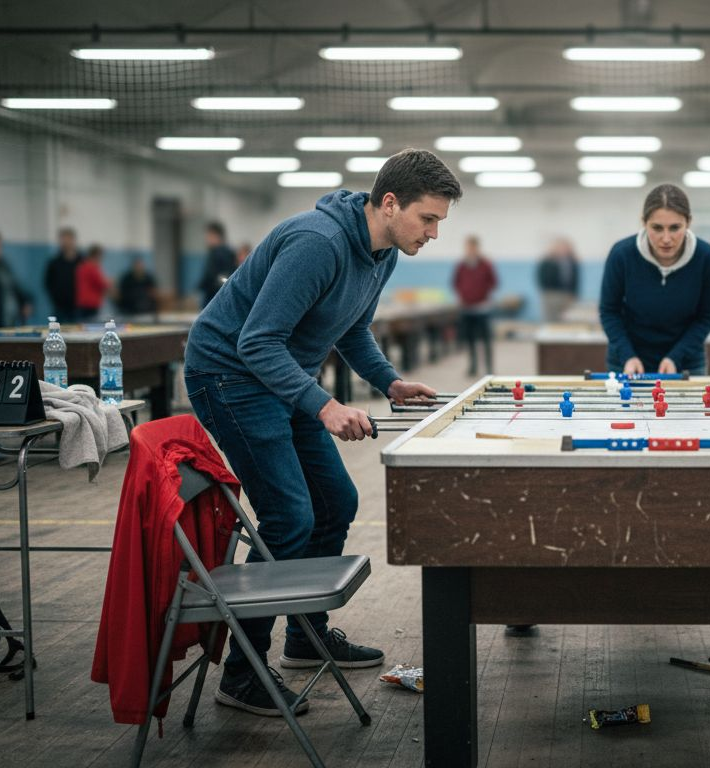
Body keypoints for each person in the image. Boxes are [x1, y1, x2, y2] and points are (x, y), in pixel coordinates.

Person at [182, 148, 453, 717]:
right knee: (288, 516)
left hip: (281, 377)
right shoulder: (318, 243)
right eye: (427, 219)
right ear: (389, 203)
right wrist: (324, 406)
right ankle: (244, 674)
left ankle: (305, 636)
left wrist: (389, 381)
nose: (433, 233)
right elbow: (255, 341)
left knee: (336, 499)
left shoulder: (383, 253)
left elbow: (352, 328)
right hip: (228, 375)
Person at [599, 183, 710, 375]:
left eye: (675, 228)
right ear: (644, 222)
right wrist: (627, 355)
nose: (666, 238)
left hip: (686, 364)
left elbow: (706, 317)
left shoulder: (707, 258)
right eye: (657, 228)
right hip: (629, 362)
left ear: (688, 222)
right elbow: (609, 311)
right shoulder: (622, 254)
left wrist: (676, 356)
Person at [453, 235, 498, 376]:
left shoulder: (486, 264)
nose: (470, 250)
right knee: (470, 340)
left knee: (486, 340)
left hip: (482, 308)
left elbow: (494, 282)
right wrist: (463, 295)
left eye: (472, 247)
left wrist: (484, 294)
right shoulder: (461, 265)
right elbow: (456, 282)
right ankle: (473, 366)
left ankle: (489, 368)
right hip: (467, 308)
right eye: (468, 247)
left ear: (477, 248)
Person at [536, 237, 579, 322]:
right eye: (560, 247)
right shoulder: (547, 261)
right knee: (551, 319)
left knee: (566, 319)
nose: (563, 249)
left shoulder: (572, 262)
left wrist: (574, 293)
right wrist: (547, 292)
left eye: (565, 247)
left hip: (567, 295)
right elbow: (541, 278)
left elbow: (576, 280)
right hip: (551, 294)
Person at [44, 227, 81, 322]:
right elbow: (48, 283)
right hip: (60, 308)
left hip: (79, 308)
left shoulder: (82, 262)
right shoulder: (54, 263)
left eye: (68, 239)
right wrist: (56, 298)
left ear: (73, 240)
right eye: (63, 240)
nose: (66, 243)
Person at [199, 222, 238, 308]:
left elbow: (218, 277)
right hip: (219, 298)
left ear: (216, 236)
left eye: (208, 236)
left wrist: (203, 285)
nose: (206, 239)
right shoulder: (226, 252)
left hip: (215, 298)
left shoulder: (219, 253)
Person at [75, 244, 110, 321]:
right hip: (90, 304)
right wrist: (110, 282)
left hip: (82, 302)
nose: (101, 259)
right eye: (101, 256)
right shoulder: (92, 267)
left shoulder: (82, 266)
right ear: (96, 255)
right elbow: (102, 284)